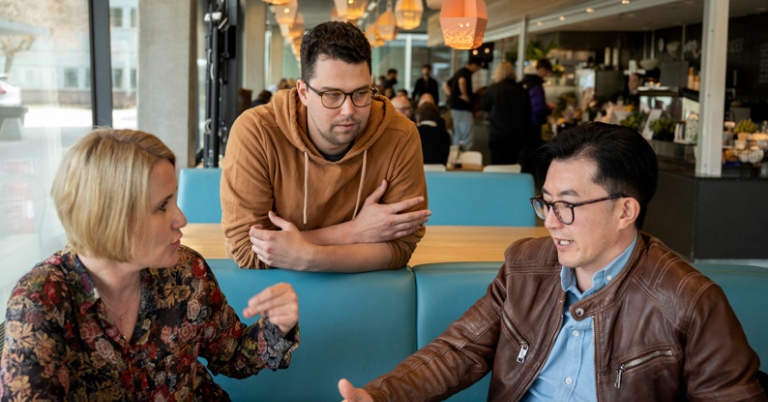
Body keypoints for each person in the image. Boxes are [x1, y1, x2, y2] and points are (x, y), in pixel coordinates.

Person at [338, 122, 766, 401]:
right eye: (546, 204)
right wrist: (380, 396)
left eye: (568, 206)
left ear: (625, 211)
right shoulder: (527, 266)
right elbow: (458, 350)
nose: (552, 223)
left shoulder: (688, 300)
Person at [0, 129, 300, 399]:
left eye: (174, 201)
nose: (181, 219)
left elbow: (233, 356)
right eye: (162, 206)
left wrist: (277, 326)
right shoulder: (42, 300)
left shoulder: (186, 271)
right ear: (110, 218)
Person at [221, 21, 430, 272]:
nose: (349, 111)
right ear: (303, 92)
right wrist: (355, 232)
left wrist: (307, 255)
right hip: (275, 300)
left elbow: (401, 246)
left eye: (361, 93)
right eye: (332, 95)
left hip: (367, 296)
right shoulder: (257, 133)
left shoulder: (400, 135)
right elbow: (247, 249)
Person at [481, 61, 532, 165]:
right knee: (512, 165)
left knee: (497, 166)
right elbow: (528, 112)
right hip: (517, 134)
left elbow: (485, 107)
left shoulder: (494, 88)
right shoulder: (521, 89)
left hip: (498, 133)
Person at [520, 59, 553, 170]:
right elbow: (538, 108)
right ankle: (529, 182)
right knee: (532, 155)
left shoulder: (524, 82)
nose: (546, 75)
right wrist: (548, 109)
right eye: (547, 72)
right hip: (533, 125)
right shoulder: (536, 85)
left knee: (525, 156)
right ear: (542, 69)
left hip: (523, 124)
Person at [446, 58, 482, 149]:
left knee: (457, 135)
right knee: (467, 135)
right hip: (463, 108)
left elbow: (445, 85)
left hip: (454, 108)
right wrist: (465, 95)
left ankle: (456, 157)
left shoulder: (459, 72)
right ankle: (465, 157)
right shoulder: (465, 72)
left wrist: (451, 96)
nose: (476, 70)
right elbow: (461, 81)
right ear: (474, 65)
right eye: (477, 68)